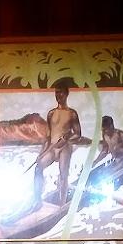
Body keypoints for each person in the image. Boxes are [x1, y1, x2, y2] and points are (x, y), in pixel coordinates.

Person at [32, 79, 81, 209]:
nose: (58, 95)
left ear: (66, 94)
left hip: (64, 147)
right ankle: (37, 200)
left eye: (61, 93)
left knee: (63, 175)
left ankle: (62, 205)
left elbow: (78, 134)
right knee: (38, 168)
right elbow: (48, 137)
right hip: (52, 147)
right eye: (56, 92)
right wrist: (41, 153)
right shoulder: (51, 113)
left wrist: (67, 139)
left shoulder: (72, 113)